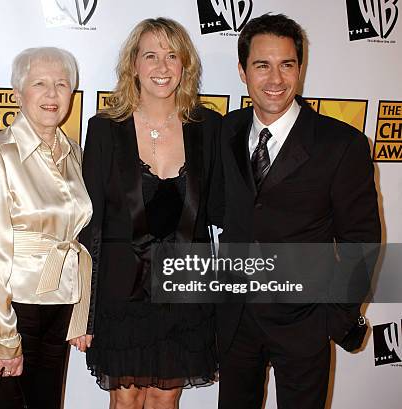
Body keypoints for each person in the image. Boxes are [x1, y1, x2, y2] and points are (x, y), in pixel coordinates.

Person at [216, 13, 381, 409]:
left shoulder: (341, 144)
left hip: (304, 324)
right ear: (242, 71)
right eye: (262, 65)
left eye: (287, 64)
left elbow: (362, 240)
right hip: (235, 320)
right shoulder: (226, 131)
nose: (275, 79)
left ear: (300, 68)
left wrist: (333, 317)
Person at [80, 17, 222, 409]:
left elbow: (223, 210)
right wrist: (84, 311)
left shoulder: (208, 127)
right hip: (121, 292)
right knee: (126, 400)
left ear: (185, 65)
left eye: (172, 56)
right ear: (134, 65)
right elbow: (89, 224)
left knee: (166, 396)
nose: (162, 68)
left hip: (185, 293)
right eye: (151, 56)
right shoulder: (105, 129)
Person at [0, 47, 93, 409]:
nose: (52, 94)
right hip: (11, 306)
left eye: (62, 84)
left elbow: (75, 239)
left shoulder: (74, 153)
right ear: (17, 93)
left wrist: (82, 309)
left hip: (60, 302)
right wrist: (5, 337)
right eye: (39, 83)